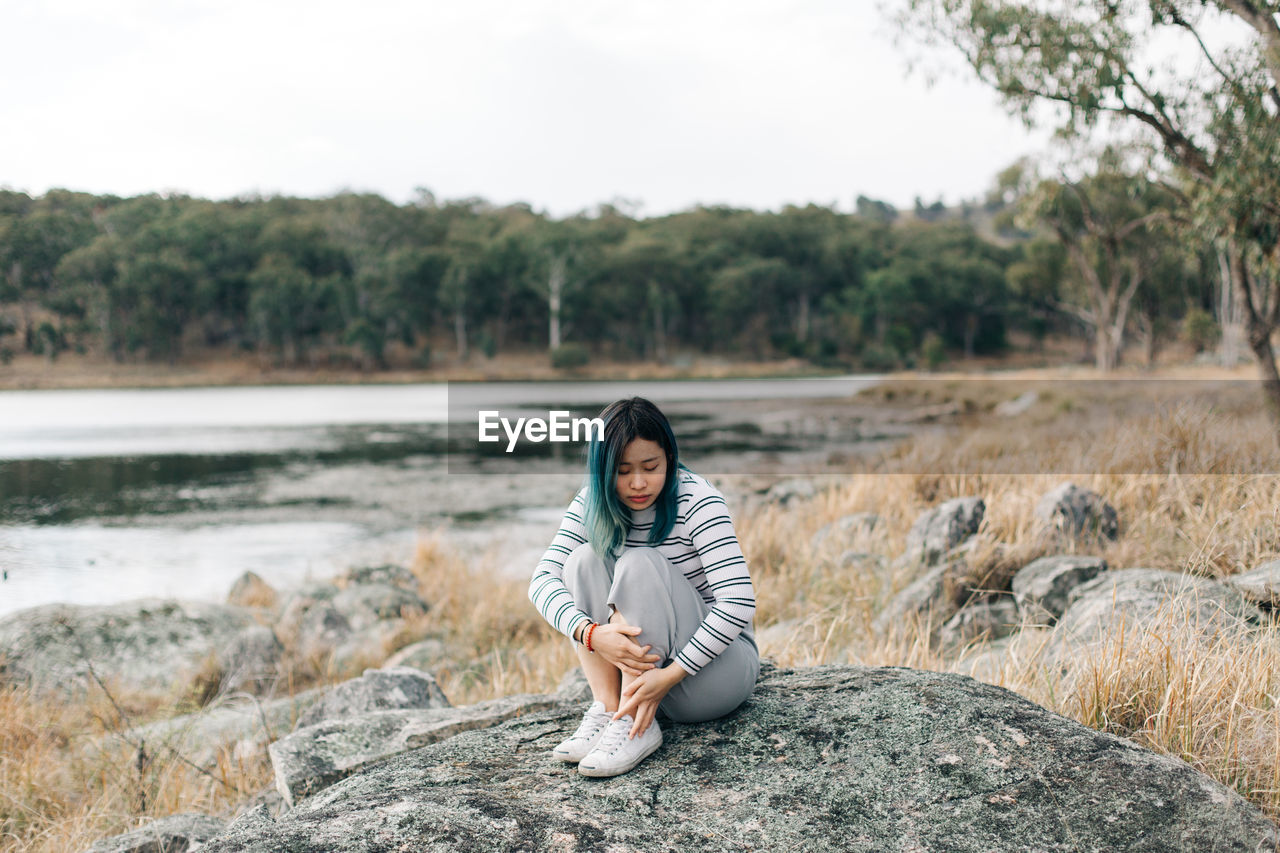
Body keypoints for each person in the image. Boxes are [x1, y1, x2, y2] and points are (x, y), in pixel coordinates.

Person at [528, 396, 759, 777]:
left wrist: (669, 675)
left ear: (668, 456)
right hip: (641, 680)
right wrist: (591, 634)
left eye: (651, 467)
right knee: (581, 559)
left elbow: (738, 601)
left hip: (711, 678)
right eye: (622, 471)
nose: (638, 483)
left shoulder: (697, 501)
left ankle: (637, 721)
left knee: (639, 562)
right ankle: (610, 708)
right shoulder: (592, 504)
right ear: (603, 471)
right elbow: (541, 581)